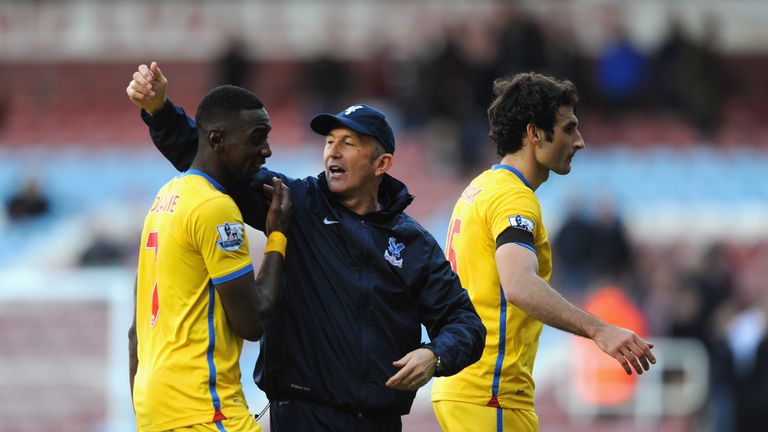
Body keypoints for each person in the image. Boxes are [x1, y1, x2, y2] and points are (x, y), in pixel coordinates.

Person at [126, 62, 485, 431]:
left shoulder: (413, 242)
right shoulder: (294, 203)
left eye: (348, 143)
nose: (333, 152)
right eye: (329, 142)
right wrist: (160, 111)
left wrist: (434, 354)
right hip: (301, 416)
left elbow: (466, 323)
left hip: (378, 421)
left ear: (382, 163)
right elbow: (214, 153)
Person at [430, 72, 656, 431]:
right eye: (569, 129)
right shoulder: (512, 197)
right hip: (490, 392)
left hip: (470, 389)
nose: (579, 142)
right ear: (534, 133)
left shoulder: (481, 188)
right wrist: (599, 330)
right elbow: (518, 284)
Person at [128, 84, 293, 432]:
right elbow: (251, 322)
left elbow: (135, 333)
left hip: (155, 410)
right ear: (217, 140)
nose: (266, 150)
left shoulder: (164, 199)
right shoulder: (215, 207)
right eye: (256, 138)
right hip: (206, 409)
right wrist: (278, 234)